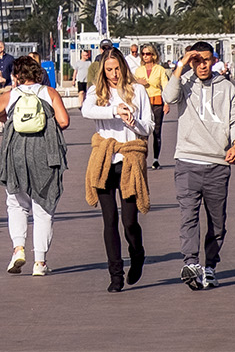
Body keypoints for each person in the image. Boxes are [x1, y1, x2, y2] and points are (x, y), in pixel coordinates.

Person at [163, 41, 235, 290]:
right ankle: (191, 263)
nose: (202, 65)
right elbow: (168, 97)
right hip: (187, 160)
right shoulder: (184, 83)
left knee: (217, 222)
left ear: (214, 60)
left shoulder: (227, 87)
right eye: (197, 60)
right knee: (188, 216)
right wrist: (181, 66)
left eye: (206, 59)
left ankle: (209, 266)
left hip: (218, 163)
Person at [0, 56, 70, 276]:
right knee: (43, 207)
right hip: (44, 152)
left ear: (16, 75)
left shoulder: (11, 95)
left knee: (16, 203)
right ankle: (40, 262)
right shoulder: (48, 93)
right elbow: (64, 121)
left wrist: (14, 120)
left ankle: (18, 249)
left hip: (15, 151)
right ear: (38, 74)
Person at [83, 49, 152, 292]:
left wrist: (133, 122)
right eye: (108, 69)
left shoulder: (138, 91)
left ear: (123, 67)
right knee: (109, 219)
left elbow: (148, 126)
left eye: (116, 68)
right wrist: (114, 110)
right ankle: (115, 275)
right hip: (103, 159)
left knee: (129, 221)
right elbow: (86, 111)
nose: (113, 74)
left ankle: (137, 253)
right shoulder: (97, 92)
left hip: (129, 158)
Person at [136, 45, 169, 169]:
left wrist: (167, 103)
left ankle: (155, 159)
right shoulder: (139, 70)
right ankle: (141, 158)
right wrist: (137, 82)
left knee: (156, 131)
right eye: (143, 54)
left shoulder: (160, 69)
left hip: (156, 102)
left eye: (148, 54)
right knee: (143, 132)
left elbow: (165, 86)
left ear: (153, 55)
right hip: (142, 103)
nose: (145, 56)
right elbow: (132, 85)